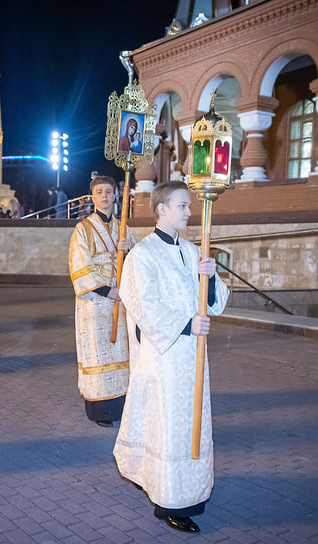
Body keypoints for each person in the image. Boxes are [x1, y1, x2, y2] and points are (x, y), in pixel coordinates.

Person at [114, 181, 229, 534]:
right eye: (182, 205)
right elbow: (143, 303)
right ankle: (169, 501)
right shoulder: (142, 254)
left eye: (189, 205)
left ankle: (191, 490)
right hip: (164, 358)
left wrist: (209, 278)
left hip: (193, 356)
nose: (189, 211)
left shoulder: (194, 250)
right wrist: (184, 325)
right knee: (168, 427)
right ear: (162, 208)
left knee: (190, 425)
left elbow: (217, 301)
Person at [69, 176, 136, 428]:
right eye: (100, 192)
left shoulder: (125, 228)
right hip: (96, 302)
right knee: (98, 353)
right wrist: (107, 290)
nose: (105, 196)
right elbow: (79, 265)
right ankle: (101, 410)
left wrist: (128, 251)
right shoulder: (83, 229)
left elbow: (138, 264)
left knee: (121, 351)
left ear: (116, 195)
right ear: (93, 197)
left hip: (121, 300)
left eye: (109, 191)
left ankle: (121, 405)